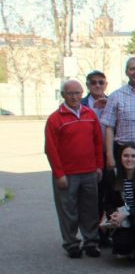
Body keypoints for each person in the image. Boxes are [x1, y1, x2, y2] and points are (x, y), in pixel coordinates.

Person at [46, 79, 104, 258]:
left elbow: (97, 142)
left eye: (77, 93)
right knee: (68, 209)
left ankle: (91, 242)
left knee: (90, 209)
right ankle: (71, 243)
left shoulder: (90, 114)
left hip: (89, 171)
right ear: (63, 95)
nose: (74, 97)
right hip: (67, 174)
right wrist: (59, 174)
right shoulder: (55, 119)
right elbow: (51, 149)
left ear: (82, 94)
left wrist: (99, 166)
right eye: (70, 93)